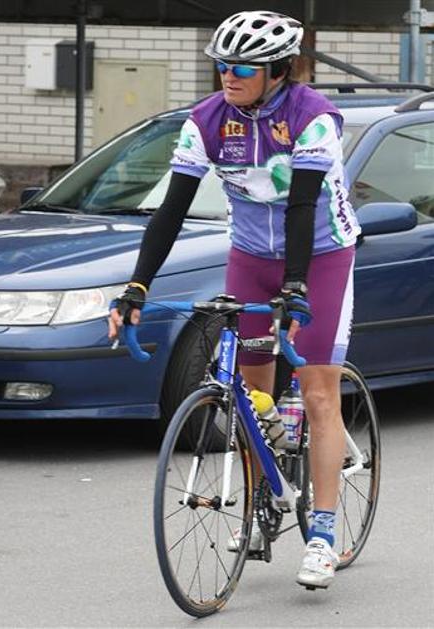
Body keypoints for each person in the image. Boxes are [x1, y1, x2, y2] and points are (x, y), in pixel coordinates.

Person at [108, 10, 360, 590]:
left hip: (321, 256)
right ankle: (261, 499)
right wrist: (138, 284)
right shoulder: (206, 121)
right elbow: (171, 209)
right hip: (249, 257)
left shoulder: (313, 118)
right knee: (252, 394)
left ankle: (322, 534)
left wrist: (296, 286)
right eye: (222, 65)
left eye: (242, 67)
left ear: (278, 70)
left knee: (318, 391)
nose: (228, 75)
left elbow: (302, 206)